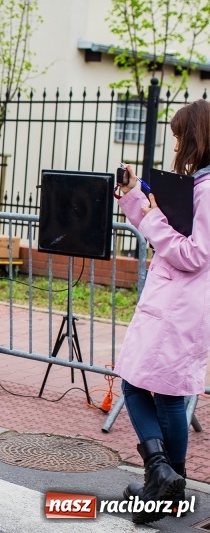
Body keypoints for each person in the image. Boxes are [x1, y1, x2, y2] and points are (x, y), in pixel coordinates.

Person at [114, 98, 210, 525]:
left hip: (180, 305)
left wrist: (152, 219)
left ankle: (162, 475)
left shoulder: (207, 190)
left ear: (193, 138)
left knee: (136, 385)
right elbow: (167, 224)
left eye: (177, 136)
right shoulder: (199, 185)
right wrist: (135, 196)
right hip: (182, 304)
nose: (175, 145)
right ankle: (168, 485)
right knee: (170, 394)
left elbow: (192, 252)